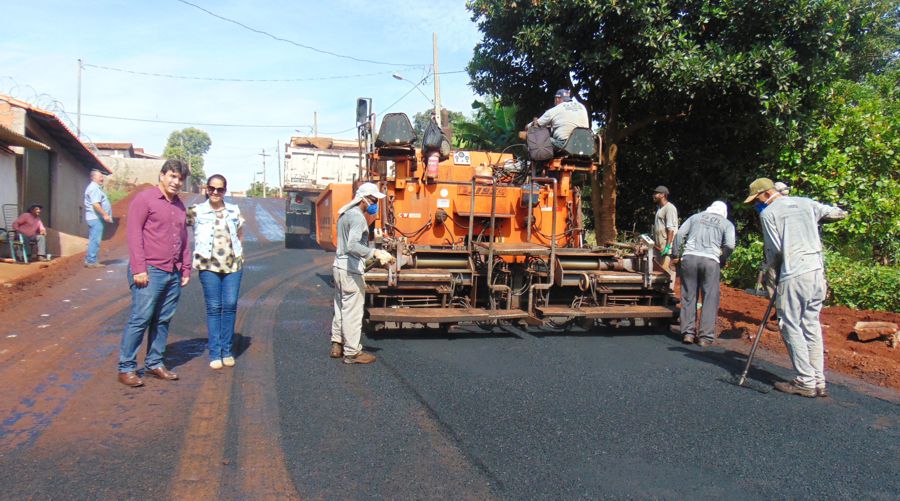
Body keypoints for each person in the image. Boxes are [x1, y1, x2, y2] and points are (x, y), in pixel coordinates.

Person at [744, 177, 847, 398]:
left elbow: (774, 250)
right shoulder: (807, 203)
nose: (756, 204)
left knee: (789, 323)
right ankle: (819, 380)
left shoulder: (769, 213)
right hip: (817, 273)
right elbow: (838, 213)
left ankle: (805, 380)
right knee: (811, 323)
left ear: (764, 194)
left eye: (756, 199)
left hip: (795, 273)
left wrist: (774, 275)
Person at [117, 160, 192, 387]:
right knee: (141, 318)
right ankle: (126, 367)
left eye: (180, 178)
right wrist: (139, 268)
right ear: (162, 175)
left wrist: (185, 268)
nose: (176, 182)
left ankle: (154, 363)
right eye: (172, 176)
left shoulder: (180, 206)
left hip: (173, 272)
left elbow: (184, 239)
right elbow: (133, 234)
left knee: (163, 320)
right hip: (150, 270)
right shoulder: (145, 199)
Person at [330, 182, 393, 365]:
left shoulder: (344, 214)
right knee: (353, 312)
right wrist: (375, 252)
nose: (375, 204)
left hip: (338, 267)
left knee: (340, 308)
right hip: (350, 270)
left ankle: (337, 344)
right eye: (374, 200)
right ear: (364, 199)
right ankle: (352, 353)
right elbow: (353, 245)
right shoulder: (358, 218)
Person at [187, 174, 245, 370]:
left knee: (229, 305)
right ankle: (215, 352)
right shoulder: (196, 211)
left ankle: (227, 350)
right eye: (212, 188)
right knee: (214, 307)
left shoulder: (233, 210)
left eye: (220, 189)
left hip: (232, 266)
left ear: (225, 191)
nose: (215, 192)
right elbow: (178, 228)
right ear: (206, 188)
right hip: (208, 266)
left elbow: (239, 233)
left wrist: (237, 253)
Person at [671, 201, 736, 347]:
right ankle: (705, 337)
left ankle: (688, 333)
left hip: (689, 258)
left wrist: (676, 253)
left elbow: (680, 233)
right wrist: (722, 257)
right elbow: (730, 245)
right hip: (711, 261)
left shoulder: (695, 217)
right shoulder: (726, 224)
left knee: (688, 296)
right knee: (709, 298)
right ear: (723, 212)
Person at [84, 169, 113, 268]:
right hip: (95, 218)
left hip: (94, 218)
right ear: (93, 177)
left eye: (102, 176)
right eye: (100, 176)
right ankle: (91, 261)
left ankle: (90, 259)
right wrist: (105, 214)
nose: (102, 178)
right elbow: (96, 204)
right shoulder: (94, 188)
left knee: (93, 239)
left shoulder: (95, 188)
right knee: (95, 239)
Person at [652, 185, 679, 271]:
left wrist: (667, 247)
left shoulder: (669, 208)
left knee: (666, 273)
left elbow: (671, 229)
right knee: (658, 272)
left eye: (656, 193)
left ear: (662, 195)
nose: (654, 195)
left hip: (666, 248)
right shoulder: (659, 208)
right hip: (658, 247)